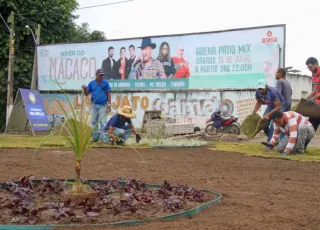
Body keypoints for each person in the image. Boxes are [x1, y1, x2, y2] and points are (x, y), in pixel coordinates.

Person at [82, 69, 112, 143]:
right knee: (94, 122)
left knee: (103, 122)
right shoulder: (91, 83)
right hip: (94, 105)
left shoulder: (105, 83)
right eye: (100, 75)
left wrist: (109, 104)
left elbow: (108, 93)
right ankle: (95, 138)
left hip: (103, 105)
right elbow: (86, 94)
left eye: (102, 75)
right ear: (96, 75)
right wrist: (85, 89)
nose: (102, 76)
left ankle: (103, 139)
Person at [305, 57, 320, 132]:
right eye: (308, 68)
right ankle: (302, 143)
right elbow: (316, 88)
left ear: (316, 64)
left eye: (310, 67)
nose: (310, 69)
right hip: (317, 105)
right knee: (310, 128)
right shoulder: (313, 74)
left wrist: (313, 98)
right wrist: (310, 96)